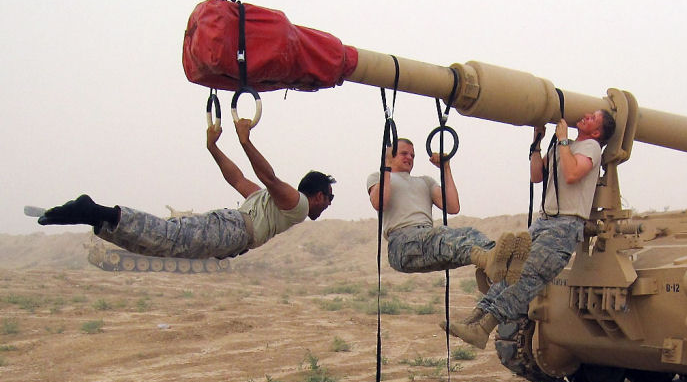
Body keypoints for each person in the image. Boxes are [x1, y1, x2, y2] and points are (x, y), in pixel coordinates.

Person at [37, 119, 336, 259]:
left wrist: (213, 148)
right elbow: (269, 177)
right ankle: (93, 209)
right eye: (329, 199)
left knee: (160, 246)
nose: (328, 205)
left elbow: (237, 179)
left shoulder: (269, 202)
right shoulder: (298, 205)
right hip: (233, 230)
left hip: (231, 232)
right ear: (319, 195)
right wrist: (245, 140)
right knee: (169, 237)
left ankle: (97, 218)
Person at [443, 109, 616, 348]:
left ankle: (483, 329)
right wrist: (537, 142)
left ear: (597, 132)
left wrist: (563, 140)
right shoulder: (564, 147)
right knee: (510, 271)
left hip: (565, 225)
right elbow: (537, 175)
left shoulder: (591, 147)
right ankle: (473, 319)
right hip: (545, 221)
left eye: (593, 118)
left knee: (527, 277)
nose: (586, 115)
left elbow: (573, 174)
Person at [366, 138, 531, 283]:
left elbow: (452, 206)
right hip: (402, 244)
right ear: (391, 155)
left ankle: (503, 263)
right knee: (442, 236)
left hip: (427, 241)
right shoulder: (379, 177)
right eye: (404, 153)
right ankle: (488, 260)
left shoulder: (425, 182)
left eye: (412, 155)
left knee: (469, 233)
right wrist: (386, 167)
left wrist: (445, 167)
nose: (409, 157)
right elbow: (380, 202)